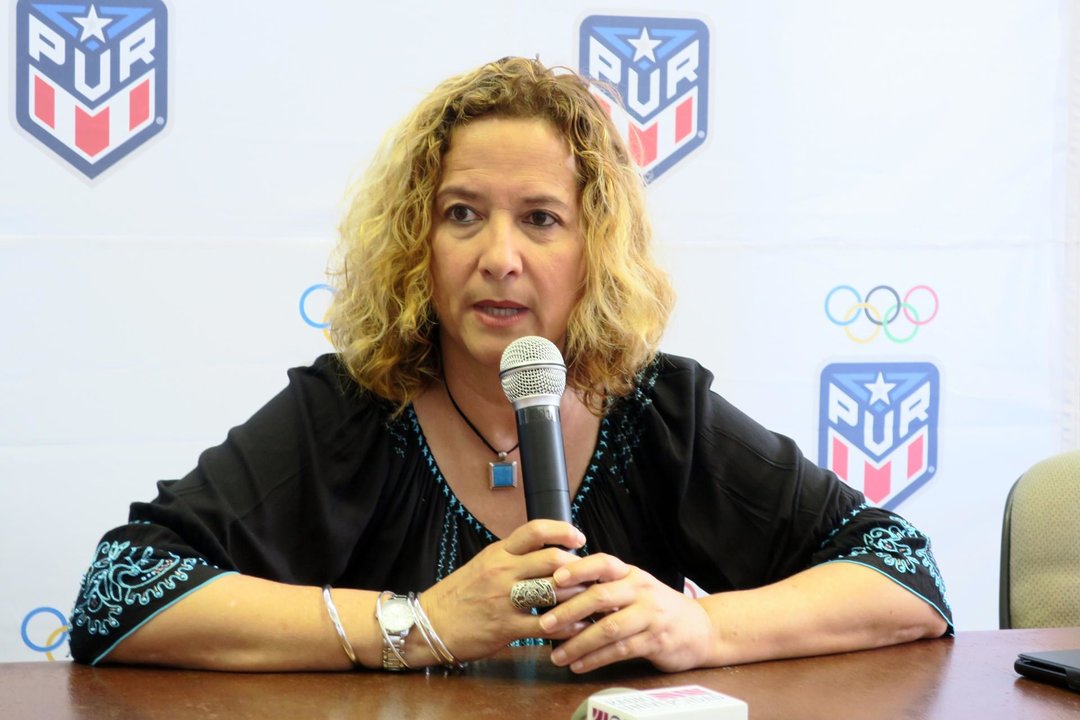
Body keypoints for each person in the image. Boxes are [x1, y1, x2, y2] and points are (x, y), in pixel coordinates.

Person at [68, 57, 952, 674]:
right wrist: (415, 625)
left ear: (593, 248)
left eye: (540, 218)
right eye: (462, 214)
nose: (498, 257)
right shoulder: (349, 407)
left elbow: (903, 574)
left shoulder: (659, 410)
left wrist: (701, 625)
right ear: (420, 240)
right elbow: (118, 594)